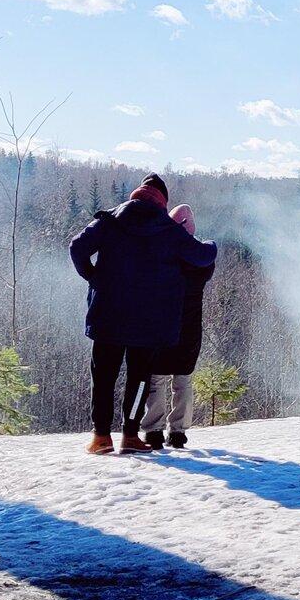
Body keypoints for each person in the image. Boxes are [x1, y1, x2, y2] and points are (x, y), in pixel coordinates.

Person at [69, 175, 217, 455]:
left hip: (107, 314)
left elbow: (77, 247)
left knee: (103, 377)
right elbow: (202, 256)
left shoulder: (109, 220)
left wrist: (93, 277)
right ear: (162, 201)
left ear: (137, 194)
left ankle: (100, 437)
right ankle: (130, 435)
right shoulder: (168, 230)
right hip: (147, 322)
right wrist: (211, 244)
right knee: (138, 379)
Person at [140, 204, 215, 450]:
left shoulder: (161, 256)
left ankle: (153, 430)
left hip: (161, 326)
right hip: (190, 328)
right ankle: (178, 432)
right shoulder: (201, 261)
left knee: (156, 379)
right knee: (183, 380)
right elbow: (208, 252)